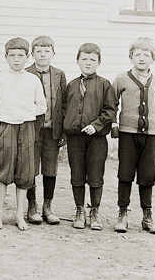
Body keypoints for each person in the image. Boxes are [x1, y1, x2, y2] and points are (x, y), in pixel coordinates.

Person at [0, 38, 47, 231]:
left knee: (25, 172)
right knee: (3, 170)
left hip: (27, 128)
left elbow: (41, 106)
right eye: (11, 55)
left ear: (27, 57)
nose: (16, 60)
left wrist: (25, 113)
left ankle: (20, 215)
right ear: (6, 57)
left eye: (20, 55)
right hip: (6, 127)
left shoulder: (33, 79)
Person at [112, 37, 155, 234]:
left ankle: (147, 216)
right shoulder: (121, 79)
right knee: (125, 173)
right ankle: (122, 213)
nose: (142, 58)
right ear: (131, 57)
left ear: (153, 58)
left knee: (147, 174)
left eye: (146, 55)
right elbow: (112, 103)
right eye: (137, 54)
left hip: (150, 135)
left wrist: (154, 127)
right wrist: (115, 124)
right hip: (127, 133)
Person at [64, 43, 116, 230]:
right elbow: (63, 110)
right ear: (77, 61)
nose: (88, 63)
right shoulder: (71, 85)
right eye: (84, 59)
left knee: (95, 175)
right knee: (76, 175)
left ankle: (95, 211)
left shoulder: (104, 84)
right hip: (75, 139)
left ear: (99, 62)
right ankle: (79, 210)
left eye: (92, 60)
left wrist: (96, 125)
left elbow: (110, 110)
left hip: (97, 139)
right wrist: (65, 131)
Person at [25, 36, 68, 225]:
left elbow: (64, 104)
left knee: (50, 169)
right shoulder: (26, 73)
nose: (43, 55)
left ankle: (47, 206)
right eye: (39, 51)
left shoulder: (59, 74)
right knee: (30, 169)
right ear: (32, 54)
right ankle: (32, 205)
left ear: (53, 54)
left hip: (52, 130)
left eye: (47, 51)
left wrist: (63, 131)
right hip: (31, 130)